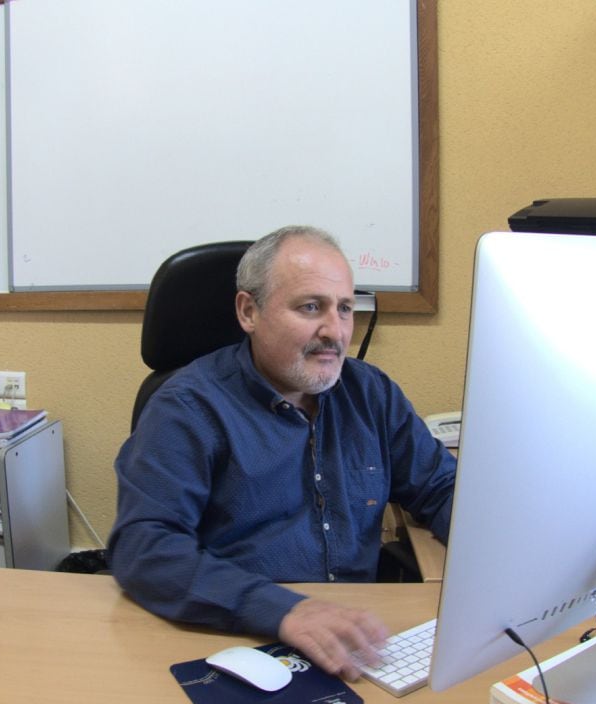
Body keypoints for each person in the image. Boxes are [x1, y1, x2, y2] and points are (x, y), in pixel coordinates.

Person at [107, 225, 456, 679]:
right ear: (249, 311)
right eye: (311, 307)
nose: (335, 331)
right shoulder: (187, 409)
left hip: (358, 638)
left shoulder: (370, 393)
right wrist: (284, 611)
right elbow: (145, 547)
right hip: (241, 640)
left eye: (345, 309)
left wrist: (496, 549)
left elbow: (439, 485)